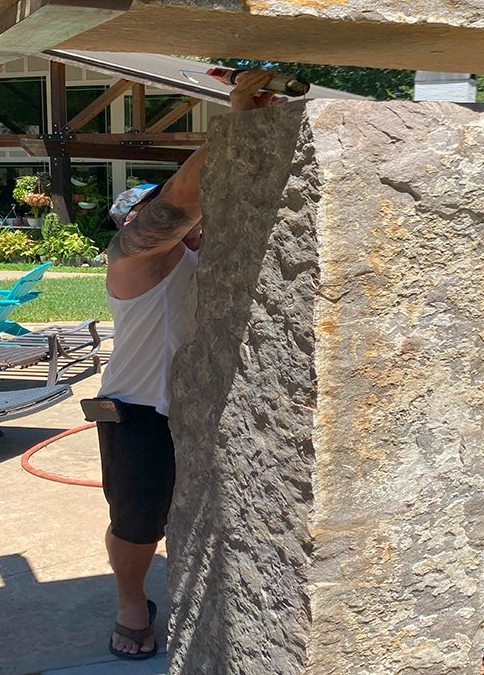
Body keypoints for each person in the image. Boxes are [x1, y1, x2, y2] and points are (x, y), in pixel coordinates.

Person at [97, 70, 277, 660]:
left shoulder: (207, 256)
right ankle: (130, 604)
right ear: (133, 223)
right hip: (138, 411)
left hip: (204, 408)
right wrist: (235, 120)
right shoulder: (131, 259)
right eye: (151, 212)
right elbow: (180, 202)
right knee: (137, 521)